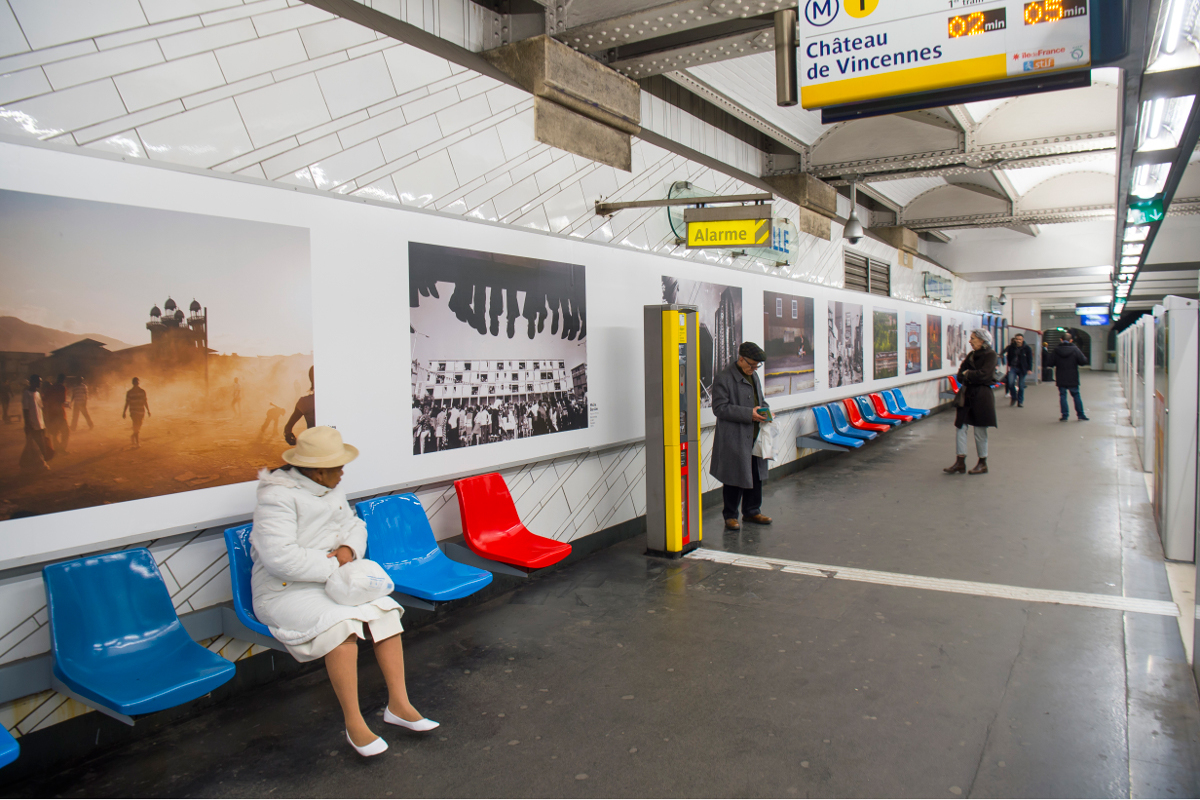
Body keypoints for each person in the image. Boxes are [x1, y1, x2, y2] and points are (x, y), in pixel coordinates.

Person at [250, 426, 436, 757]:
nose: (343, 471)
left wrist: (349, 548)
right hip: (284, 591)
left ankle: (399, 704)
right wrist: (334, 566)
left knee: (386, 609)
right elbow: (280, 559)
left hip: (332, 579)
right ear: (316, 470)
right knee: (342, 624)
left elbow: (354, 525)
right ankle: (354, 723)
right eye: (337, 466)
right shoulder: (275, 497)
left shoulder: (329, 487)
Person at [711, 342, 772, 530]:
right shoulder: (724, 378)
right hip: (735, 437)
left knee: (756, 474)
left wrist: (766, 411)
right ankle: (730, 515)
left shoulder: (753, 376)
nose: (754, 369)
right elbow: (719, 408)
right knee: (734, 477)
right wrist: (748, 414)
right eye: (751, 365)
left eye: (757, 366)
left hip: (754, 434)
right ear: (741, 359)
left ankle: (752, 511)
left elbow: (759, 400)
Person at [945, 329, 998, 475]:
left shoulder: (991, 355)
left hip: (982, 396)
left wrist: (968, 374)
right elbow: (960, 376)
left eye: (973, 338)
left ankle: (982, 463)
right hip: (966, 395)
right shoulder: (971, 355)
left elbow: (985, 375)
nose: (970, 341)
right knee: (960, 427)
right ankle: (960, 461)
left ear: (982, 340)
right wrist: (970, 375)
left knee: (980, 430)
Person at [1045, 332, 1089, 421]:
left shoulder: (1056, 350)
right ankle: (1080, 415)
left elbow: (1049, 363)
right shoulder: (1075, 349)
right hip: (1073, 376)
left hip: (1061, 376)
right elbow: (1083, 361)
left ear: (1061, 339)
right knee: (1076, 395)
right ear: (1071, 340)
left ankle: (1064, 415)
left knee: (1062, 396)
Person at [20, 375, 52, 471]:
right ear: (33, 382)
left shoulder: (37, 393)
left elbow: (40, 408)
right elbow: (25, 410)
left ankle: (28, 465)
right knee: (38, 446)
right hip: (33, 425)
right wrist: (28, 424)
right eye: (38, 381)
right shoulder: (27, 394)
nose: (40, 383)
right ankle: (41, 465)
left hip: (40, 424)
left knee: (35, 446)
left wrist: (45, 421)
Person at [285, 367, 316, 445]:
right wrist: (288, 434)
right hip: (317, 448)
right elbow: (288, 427)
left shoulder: (305, 402)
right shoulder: (306, 402)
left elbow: (288, 427)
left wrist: (288, 434)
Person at [1003, 334, 1034, 408]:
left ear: (1022, 339)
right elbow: (1008, 356)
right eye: (1017, 339)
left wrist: (1029, 369)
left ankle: (1020, 402)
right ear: (1015, 339)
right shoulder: (1011, 347)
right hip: (1013, 367)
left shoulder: (1027, 348)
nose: (1018, 341)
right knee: (1010, 383)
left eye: (1020, 339)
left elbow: (1030, 359)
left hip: (1022, 368)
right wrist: (1009, 364)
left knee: (1021, 385)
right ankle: (1014, 397)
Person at [43, 373, 70, 454]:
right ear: (63, 380)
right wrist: (67, 404)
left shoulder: (50, 387)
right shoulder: (62, 388)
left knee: (55, 433)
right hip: (59, 413)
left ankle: (57, 448)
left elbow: (45, 399)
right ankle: (61, 449)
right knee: (66, 432)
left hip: (51, 413)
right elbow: (62, 401)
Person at [122, 377, 150, 448]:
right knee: (135, 425)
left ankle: (133, 435)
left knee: (139, 425)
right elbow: (127, 403)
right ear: (133, 383)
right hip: (133, 411)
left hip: (141, 411)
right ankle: (137, 442)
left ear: (138, 383)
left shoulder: (142, 391)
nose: (136, 383)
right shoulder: (129, 392)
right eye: (135, 382)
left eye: (137, 382)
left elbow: (145, 401)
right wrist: (124, 412)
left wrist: (148, 410)